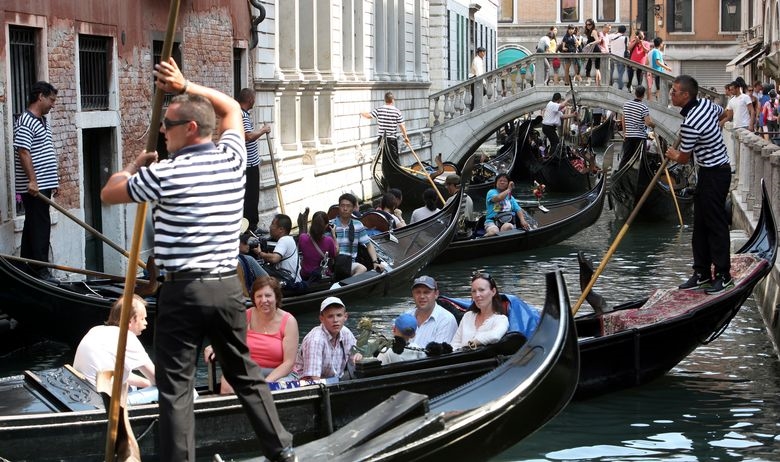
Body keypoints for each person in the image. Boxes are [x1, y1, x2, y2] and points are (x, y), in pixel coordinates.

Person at [99, 58, 295, 462]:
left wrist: (134, 165)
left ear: (189, 129)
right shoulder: (234, 160)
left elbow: (109, 192)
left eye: (166, 125)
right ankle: (283, 453)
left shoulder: (164, 174)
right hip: (226, 289)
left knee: (175, 388)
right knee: (246, 377)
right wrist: (188, 84)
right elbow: (229, 109)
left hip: (183, 291)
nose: (161, 132)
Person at [665, 75, 733, 295]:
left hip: (716, 174)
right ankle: (702, 273)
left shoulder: (692, 122)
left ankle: (724, 276)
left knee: (715, 224)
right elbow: (724, 113)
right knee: (700, 224)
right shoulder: (706, 104)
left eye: (674, 92)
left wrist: (672, 153)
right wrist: (713, 130)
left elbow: (684, 158)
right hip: (709, 173)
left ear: (686, 95)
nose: (671, 94)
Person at [204, 277, 300, 393]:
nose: (264, 300)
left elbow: (289, 363)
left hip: (278, 374)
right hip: (250, 371)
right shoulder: (245, 316)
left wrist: (268, 382)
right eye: (259, 296)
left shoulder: (289, 322)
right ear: (254, 298)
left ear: (276, 297)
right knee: (228, 381)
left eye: (268, 295)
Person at [13, 81, 59, 280]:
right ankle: (40, 269)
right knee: (40, 224)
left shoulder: (42, 121)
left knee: (33, 223)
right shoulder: (26, 120)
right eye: (51, 100)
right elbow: (23, 151)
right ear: (40, 96)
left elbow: (44, 151)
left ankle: (29, 267)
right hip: (35, 186)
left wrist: (54, 180)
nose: (52, 104)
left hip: (43, 184)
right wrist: (32, 180)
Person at [73, 295, 155, 392]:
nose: (146, 323)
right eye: (142, 319)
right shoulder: (127, 337)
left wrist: (147, 383)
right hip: (102, 399)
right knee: (160, 389)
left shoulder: (96, 330)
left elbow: (119, 375)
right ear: (130, 321)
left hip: (80, 389)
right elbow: (158, 378)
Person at [293, 296, 361, 381]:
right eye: (330, 316)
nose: (335, 320)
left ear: (345, 317)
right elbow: (314, 379)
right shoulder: (315, 340)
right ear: (322, 319)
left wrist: (358, 355)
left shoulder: (345, 332)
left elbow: (356, 351)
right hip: (309, 383)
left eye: (339, 315)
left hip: (336, 380)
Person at [237, 88, 271, 232]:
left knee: (250, 196)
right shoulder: (242, 115)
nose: (255, 102)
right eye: (254, 99)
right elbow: (248, 136)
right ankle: (251, 226)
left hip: (249, 162)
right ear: (250, 100)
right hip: (248, 164)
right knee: (251, 196)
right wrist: (263, 130)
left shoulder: (241, 114)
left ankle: (251, 225)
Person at [450, 272, 509, 350]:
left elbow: (495, 336)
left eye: (481, 290)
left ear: (493, 292)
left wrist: (472, 343)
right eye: (474, 291)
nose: (477, 295)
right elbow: (455, 344)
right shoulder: (468, 316)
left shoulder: (501, 319)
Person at [330, 193, 382, 276]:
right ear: (339, 207)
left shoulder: (358, 225)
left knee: (362, 269)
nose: (345, 208)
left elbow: (368, 244)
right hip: (332, 264)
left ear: (353, 208)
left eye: (348, 206)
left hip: (350, 264)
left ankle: (347, 285)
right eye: (342, 205)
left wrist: (375, 262)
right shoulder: (330, 224)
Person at [405, 275, 458, 346]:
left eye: (426, 292)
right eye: (418, 292)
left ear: (436, 294)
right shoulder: (406, 315)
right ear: (413, 294)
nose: (422, 296)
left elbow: (439, 355)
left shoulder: (447, 320)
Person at [360, 92, 410, 162]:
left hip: (381, 140)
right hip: (392, 139)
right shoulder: (397, 111)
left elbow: (368, 116)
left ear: (385, 100)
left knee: (384, 158)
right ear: (392, 100)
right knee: (394, 158)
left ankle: (387, 171)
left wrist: (361, 113)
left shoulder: (379, 109)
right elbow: (402, 125)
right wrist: (406, 137)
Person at [258, 214, 302, 286]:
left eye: (272, 224)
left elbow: (274, 259)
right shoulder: (289, 239)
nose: (270, 227)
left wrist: (260, 253)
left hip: (290, 282)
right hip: (292, 280)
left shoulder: (284, 240)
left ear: (281, 229)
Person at [620, 86, 655, 169]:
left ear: (635, 93)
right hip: (640, 137)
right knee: (642, 158)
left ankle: (620, 173)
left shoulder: (626, 104)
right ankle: (640, 177)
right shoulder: (643, 107)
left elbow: (623, 119)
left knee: (626, 157)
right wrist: (653, 125)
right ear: (643, 95)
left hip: (629, 135)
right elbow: (648, 122)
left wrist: (624, 132)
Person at [299, 211, 338, 282]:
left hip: (305, 276)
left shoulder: (302, 238)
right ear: (326, 225)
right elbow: (335, 254)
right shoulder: (329, 241)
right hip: (322, 277)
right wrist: (334, 236)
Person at [608, 25, 628, 90]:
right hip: (621, 57)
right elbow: (627, 47)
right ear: (624, 31)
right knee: (620, 72)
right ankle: (619, 87)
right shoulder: (625, 38)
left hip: (612, 57)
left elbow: (608, 37)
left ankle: (612, 85)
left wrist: (617, 32)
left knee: (612, 71)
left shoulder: (612, 36)